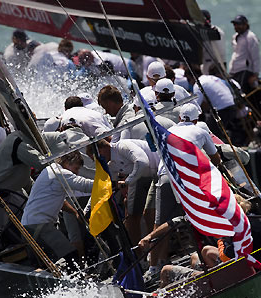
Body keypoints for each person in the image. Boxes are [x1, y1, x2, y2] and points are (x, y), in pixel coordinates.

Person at [144, 103, 222, 278]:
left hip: (166, 176)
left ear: (179, 118)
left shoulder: (169, 131)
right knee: (203, 213)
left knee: (160, 223)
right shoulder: (201, 131)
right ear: (196, 119)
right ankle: (213, 252)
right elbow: (216, 159)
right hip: (188, 179)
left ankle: (154, 267)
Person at [21, 151, 93, 266]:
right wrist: (109, 184)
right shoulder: (59, 173)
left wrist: (75, 213)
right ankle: (76, 281)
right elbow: (84, 185)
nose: (77, 172)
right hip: (38, 225)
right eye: (76, 168)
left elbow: (61, 202)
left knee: (49, 262)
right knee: (70, 256)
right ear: (68, 162)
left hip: (31, 224)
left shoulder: (50, 170)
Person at [93, 139, 160, 245]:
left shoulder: (122, 146)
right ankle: (139, 252)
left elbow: (142, 162)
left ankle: (156, 245)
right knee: (131, 215)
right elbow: (111, 184)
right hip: (142, 178)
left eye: (95, 157)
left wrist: (127, 181)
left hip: (158, 171)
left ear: (101, 150)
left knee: (148, 212)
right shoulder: (110, 164)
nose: (95, 161)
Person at [191, 65, 237, 139]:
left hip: (222, 109)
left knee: (210, 133)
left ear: (190, 77)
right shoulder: (210, 78)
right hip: (232, 105)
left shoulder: (197, 84)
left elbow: (195, 106)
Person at [228, 15, 260, 94]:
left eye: (239, 24)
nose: (236, 27)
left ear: (246, 25)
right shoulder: (235, 37)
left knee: (241, 94)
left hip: (244, 71)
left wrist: (255, 75)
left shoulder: (250, 37)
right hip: (234, 71)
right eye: (235, 24)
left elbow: (255, 57)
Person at [201, 10, 226, 75]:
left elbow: (221, 52)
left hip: (215, 65)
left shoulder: (217, 32)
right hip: (204, 65)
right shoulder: (200, 31)